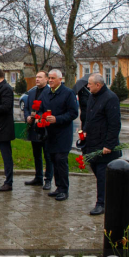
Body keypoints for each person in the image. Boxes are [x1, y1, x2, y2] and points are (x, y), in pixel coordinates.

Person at [37, 69, 78, 201]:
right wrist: (40, 117)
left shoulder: (68, 93)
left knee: (61, 161)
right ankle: (58, 187)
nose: (50, 80)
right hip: (50, 134)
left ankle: (64, 189)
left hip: (63, 134)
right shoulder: (46, 93)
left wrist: (57, 119)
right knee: (53, 160)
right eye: (49, 78)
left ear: (60, 79)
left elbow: (73, 113)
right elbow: (40, 109)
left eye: (53, 78)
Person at [83, 73, 121, 216]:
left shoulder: (110, 98)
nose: (88, 86)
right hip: (91, 142)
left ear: (98, 85)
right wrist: (84, 131)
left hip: (104, 146)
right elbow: (89, 117)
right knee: (97, 173)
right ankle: (109, 198)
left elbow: (114, 124)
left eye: (90, 84)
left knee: (102, 175)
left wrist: (109, 145)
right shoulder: (92, 96)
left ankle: (101, 204)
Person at [23, 71, 53, 190]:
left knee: (47, 155)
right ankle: (38, 177)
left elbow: (50, 109)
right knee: (36, 155)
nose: (37, 79)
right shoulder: (31, 92)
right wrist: (27, 117)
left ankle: (48, 179)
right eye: (36, 77)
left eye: (40, 77)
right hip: (34, 128)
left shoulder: (49, 92)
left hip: (45, 129)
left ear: (46, 79)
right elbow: (26, 108)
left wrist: (40, 116)